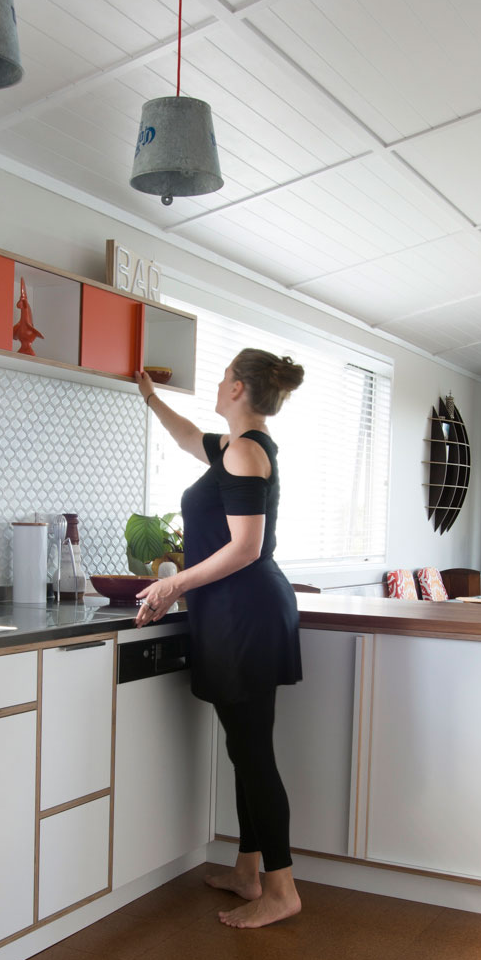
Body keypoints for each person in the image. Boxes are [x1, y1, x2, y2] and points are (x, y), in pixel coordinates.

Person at [136, 348, 306, 929]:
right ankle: (247, 871)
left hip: (245, 615)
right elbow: (188, 437)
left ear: (238, 388)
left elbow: (245, 547)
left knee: (254, 755)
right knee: (245, 749)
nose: (216, 382)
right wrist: (151, 398)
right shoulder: (236, 448)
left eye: (222, 376)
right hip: (241, 612)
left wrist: (172, 585)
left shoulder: (245, 455)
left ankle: (281, 891)